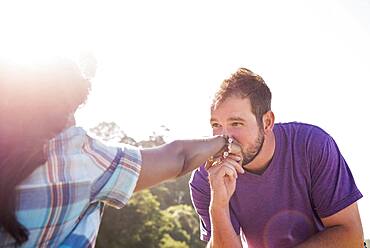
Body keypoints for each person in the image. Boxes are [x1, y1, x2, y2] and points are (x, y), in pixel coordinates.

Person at [0, 58, 241, 247]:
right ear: (60, 111)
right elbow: (178, 158)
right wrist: (223, 141)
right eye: (72, 109)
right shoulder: (75, 160)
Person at [189, 68, 364, 247]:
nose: (224, 137)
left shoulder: (312, 145)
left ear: (267, 122)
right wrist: (218, 205)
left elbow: (350, 235)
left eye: (236, 123)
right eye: (216, 125)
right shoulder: (206, 179)